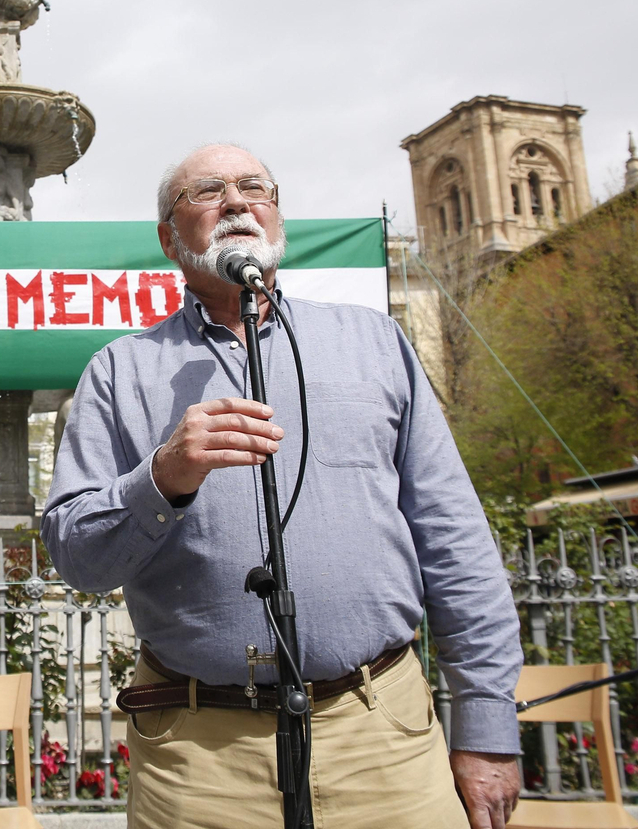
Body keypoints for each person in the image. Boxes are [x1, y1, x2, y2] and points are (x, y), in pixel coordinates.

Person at [41, 143, 523, 829]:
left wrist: (485, 724)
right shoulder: (121, 371)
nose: (237, 202)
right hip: (201, 755)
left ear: (276, 217)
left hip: (380, 734)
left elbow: (454, 539)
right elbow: (76, 558)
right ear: (169, 240)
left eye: (254, 188)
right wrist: (163, 477)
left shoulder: (374, 344)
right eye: (207, 192)